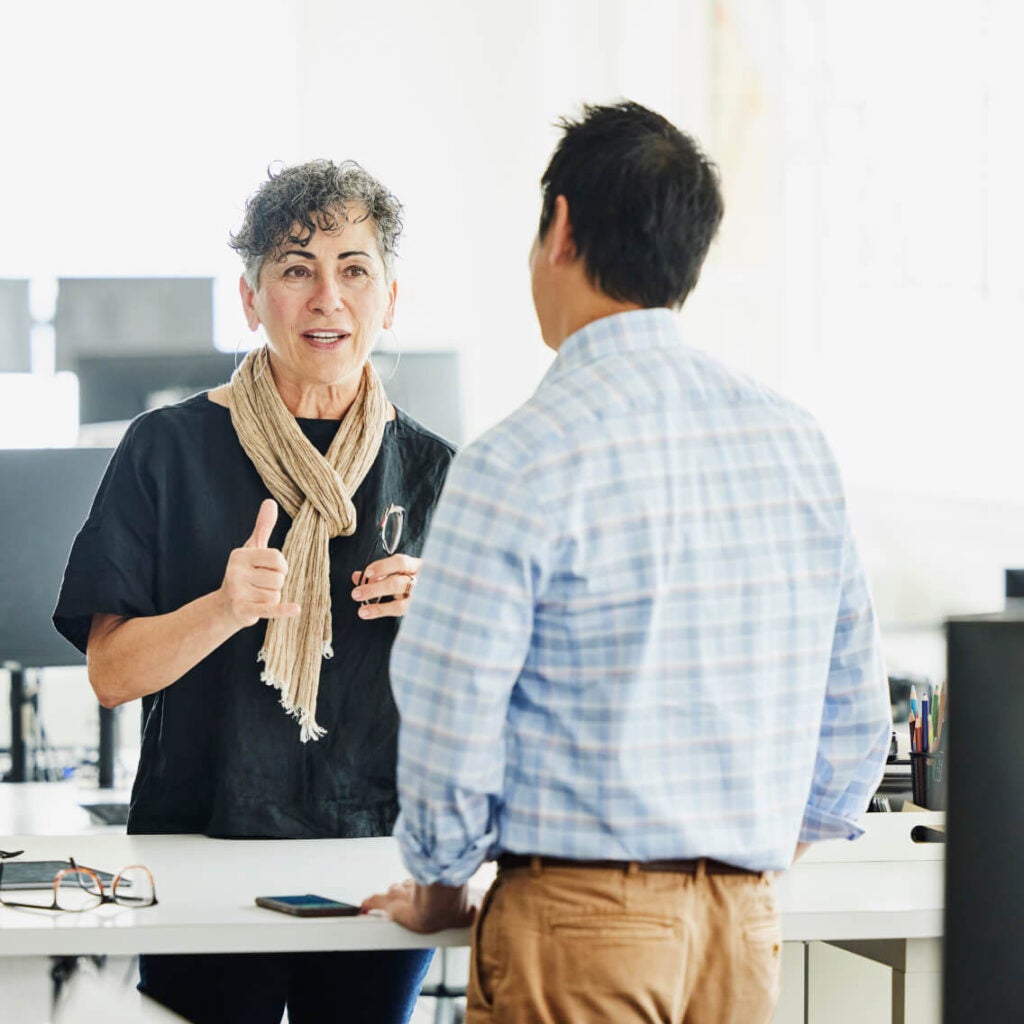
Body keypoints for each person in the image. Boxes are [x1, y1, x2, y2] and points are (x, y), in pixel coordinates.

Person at [362, 102, 892, 1023]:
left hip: (579, 923)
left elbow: (451, 711)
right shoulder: (796, 443)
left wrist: (440, 889)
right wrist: (728, 871)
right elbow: (853, 734)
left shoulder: (520, 456)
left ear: (560, 228)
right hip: (746, 932)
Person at [54, 159, 455, 1024]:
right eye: (295, 269)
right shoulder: (164, 449)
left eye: (354, 270)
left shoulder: (434, 471)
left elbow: (484, 698)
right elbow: (111, 676)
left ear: (389, 299)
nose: (327, 298)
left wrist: (452, 617)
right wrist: (222, 609)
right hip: (201, 851)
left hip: (373, 857)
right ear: (250, 298)